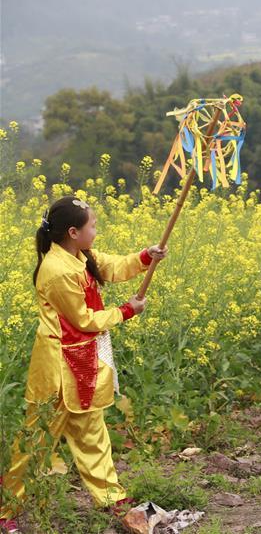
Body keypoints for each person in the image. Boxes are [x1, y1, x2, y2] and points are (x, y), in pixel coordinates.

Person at [1, 196, 166, 531]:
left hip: (83, 361)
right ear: (73, 232)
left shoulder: (81, 255)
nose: (97, 229)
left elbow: (112, 266)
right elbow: (83, 320)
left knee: (92, 431)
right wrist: (126, 311)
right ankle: (7, 512)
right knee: (36, 441)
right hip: (58, 370)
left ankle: (111, 499)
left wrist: (147, 257)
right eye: (93, 225)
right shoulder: (56, 270)